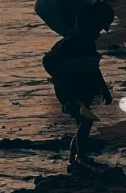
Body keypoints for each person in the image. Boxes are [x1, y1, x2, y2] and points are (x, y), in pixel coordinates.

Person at [42, 29, 113, 165]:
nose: (98, 34)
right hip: (70, 91)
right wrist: (64, 90)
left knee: (83, 123)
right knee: (86, 121)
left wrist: (104, 89)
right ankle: (80, 155)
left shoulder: (90, 45)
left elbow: (94, 68)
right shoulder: (67, 45)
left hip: (86, 89)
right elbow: (55, 68)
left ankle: (73, 159)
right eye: (96, 30)